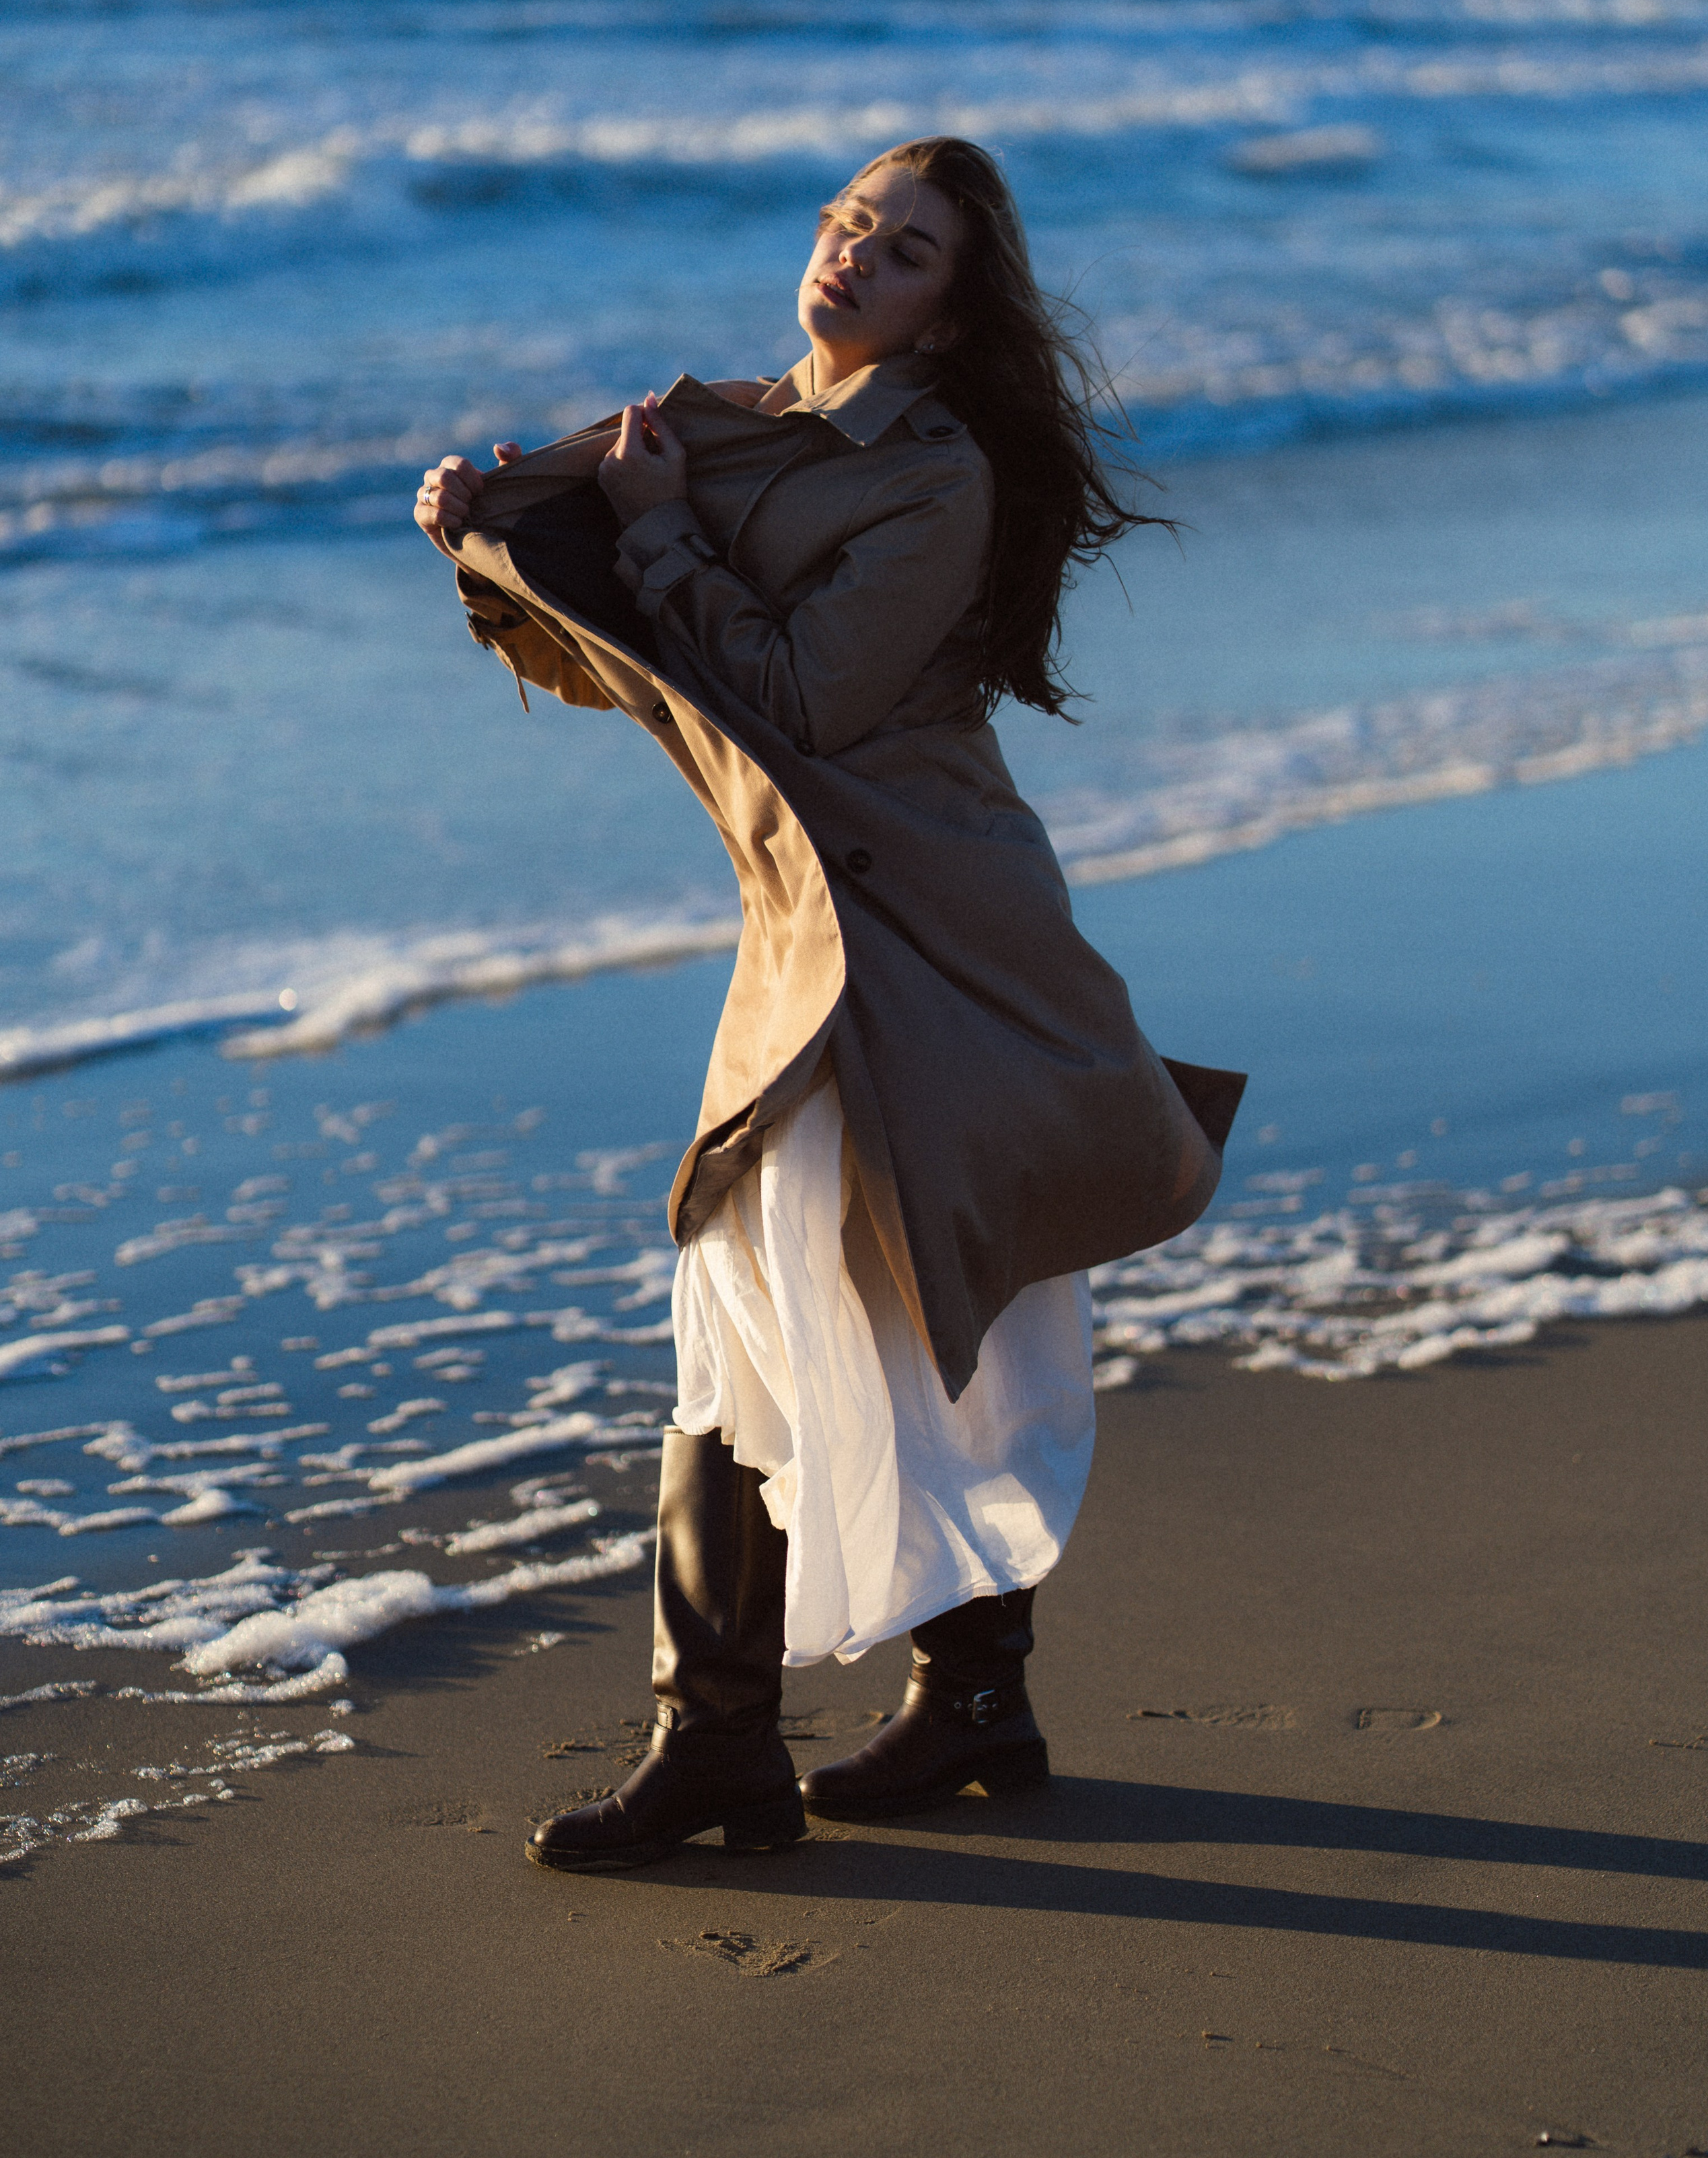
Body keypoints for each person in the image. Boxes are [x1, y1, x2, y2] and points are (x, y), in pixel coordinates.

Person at [414, 137, 1244, 1874]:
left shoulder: (936, 480)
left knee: (907, 1280)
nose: (859, 255)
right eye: (852, 221)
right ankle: (804, 1723)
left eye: (909, 250)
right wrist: (482, 510)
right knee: (769, 1282)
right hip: (812, 918)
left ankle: (848, 1714)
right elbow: (617, 562)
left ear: (950, 322)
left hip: (938, 925)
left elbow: (799, 691)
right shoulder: (730, 416)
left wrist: (652, 538)